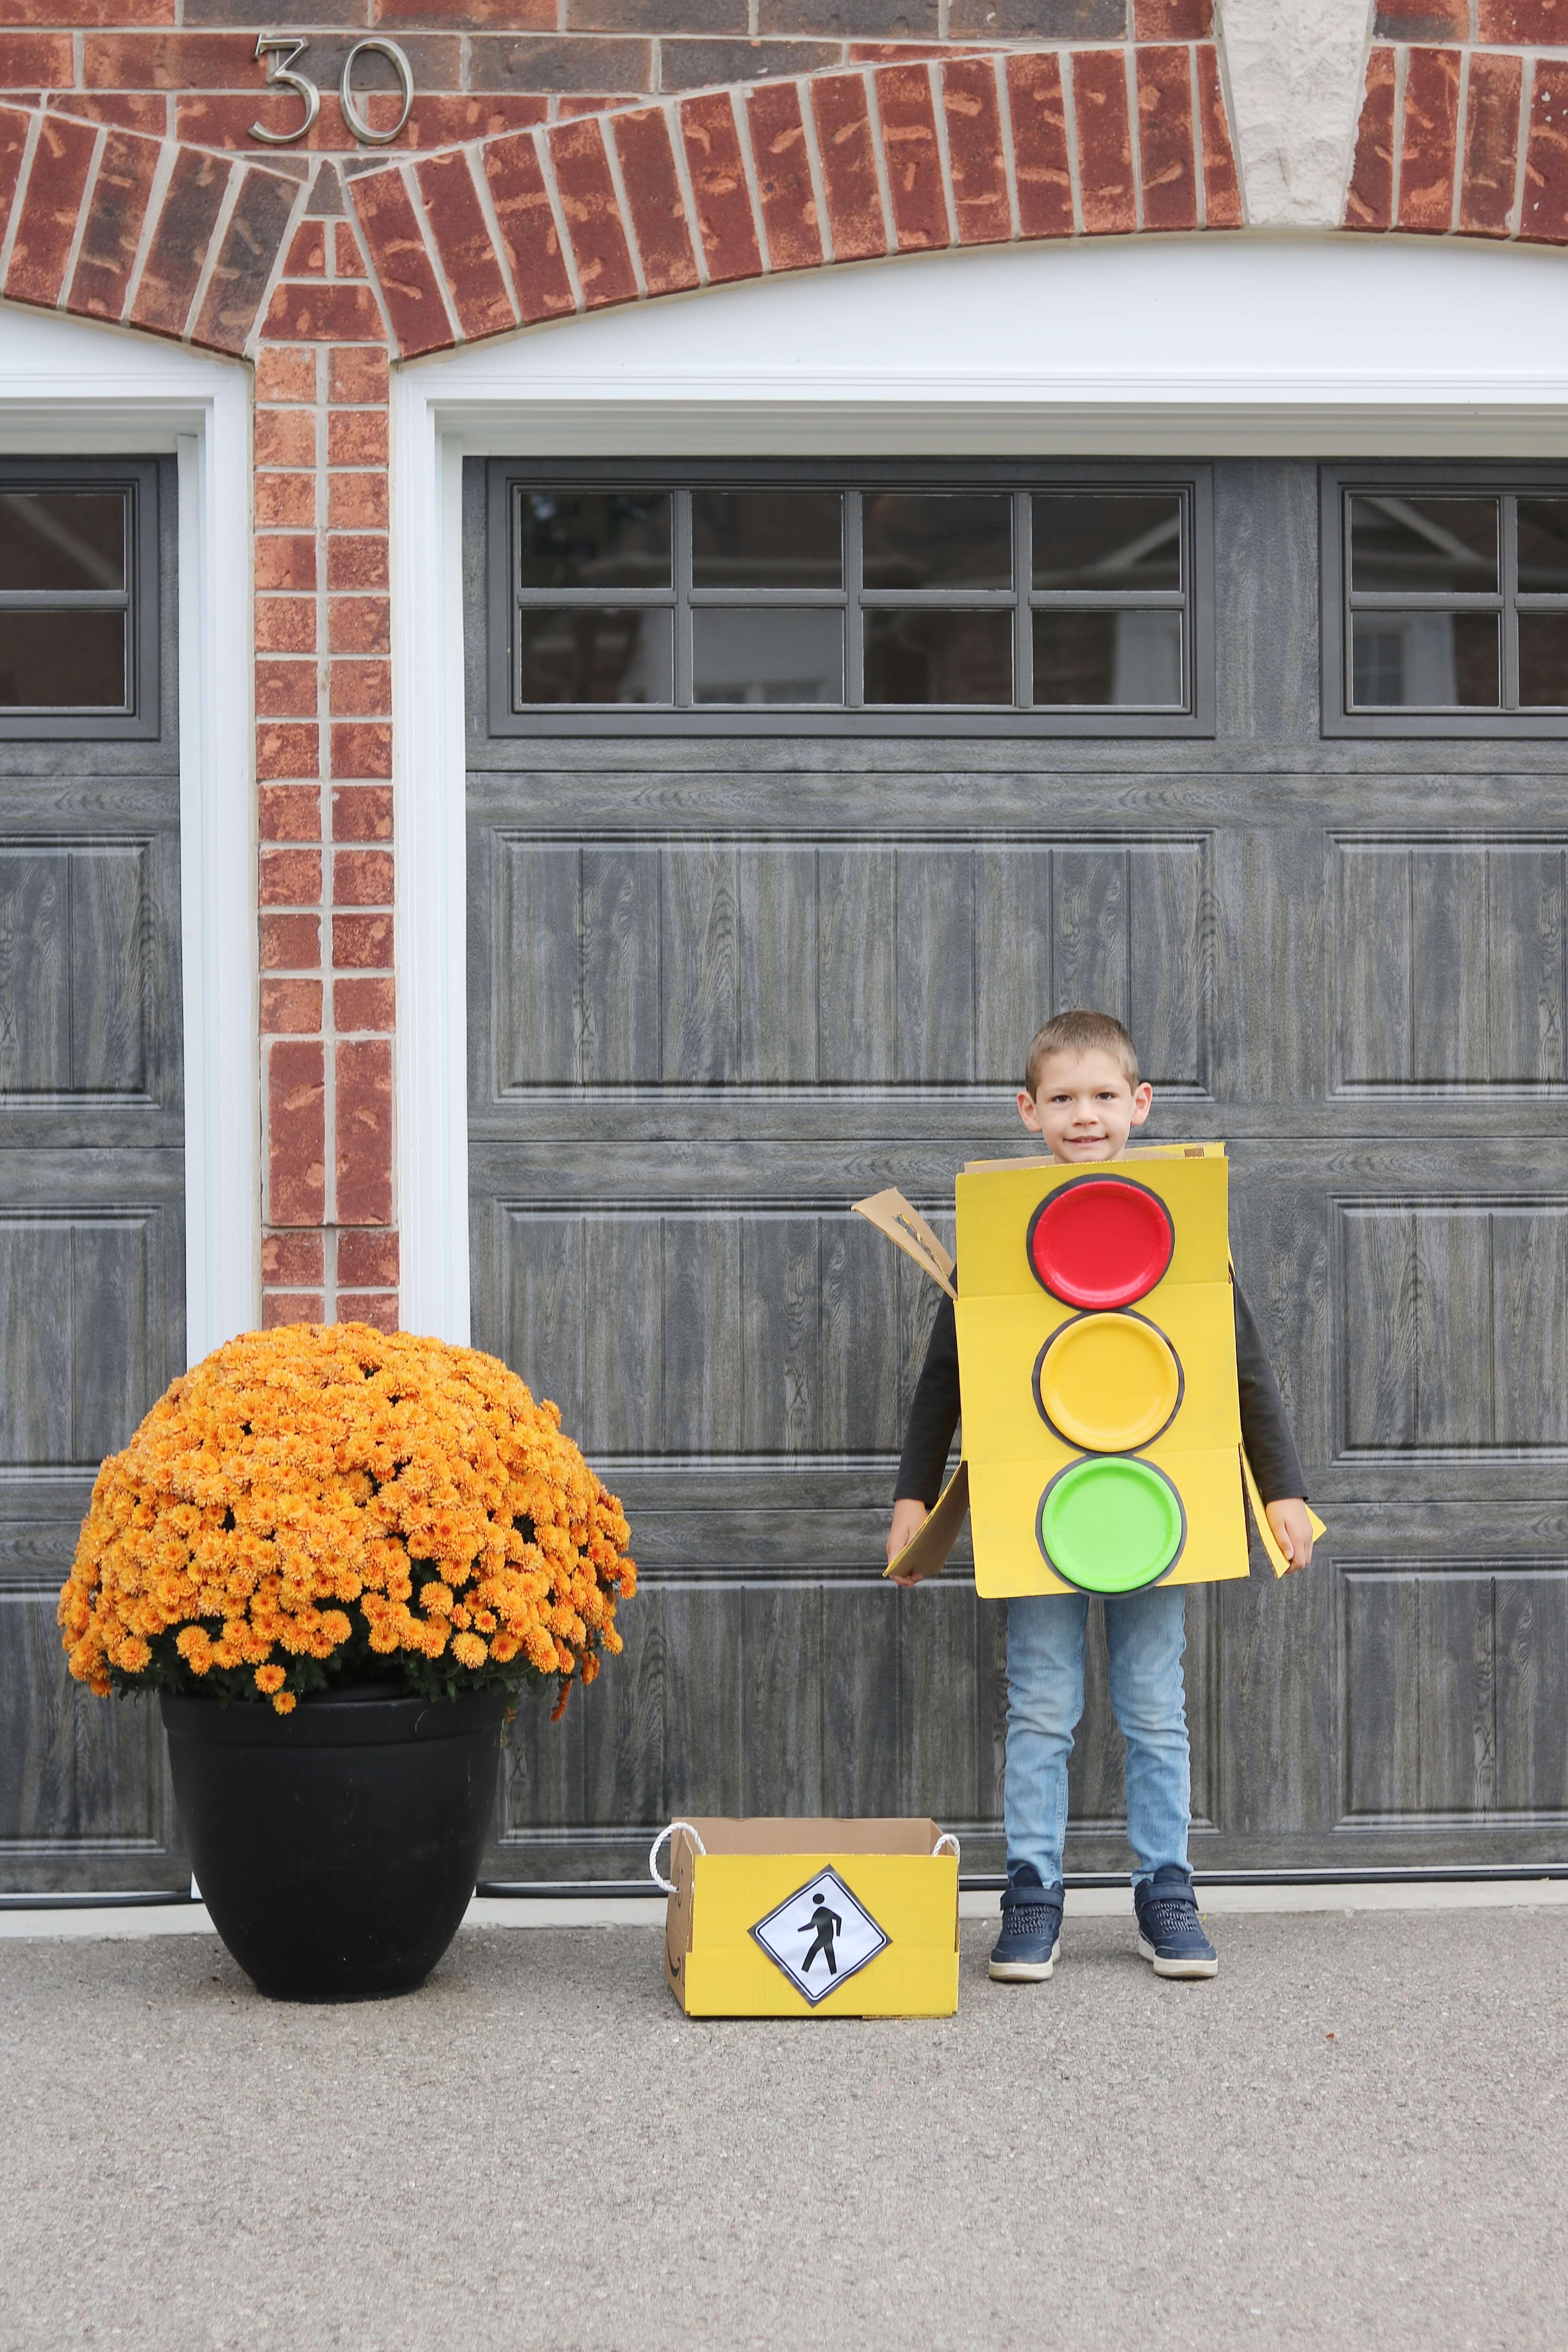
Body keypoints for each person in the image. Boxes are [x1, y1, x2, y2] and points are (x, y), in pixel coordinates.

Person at [886, 1009, 1314, 1985]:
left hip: (1150, 1507)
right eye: (1063, 1098)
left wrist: (1280, 1491)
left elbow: (1242, 1367)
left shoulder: (1180, 1226)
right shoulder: (997, 1232)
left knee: (1153, 1708)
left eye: (1103, 1096)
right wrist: (916, 1498)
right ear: (1027, 1110)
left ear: (1140, 1104)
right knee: (1040, 1706)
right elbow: (945, 1377)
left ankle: (1166, 1891)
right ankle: (1031, 1896)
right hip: (1037, 1509)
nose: (1084, 1115)